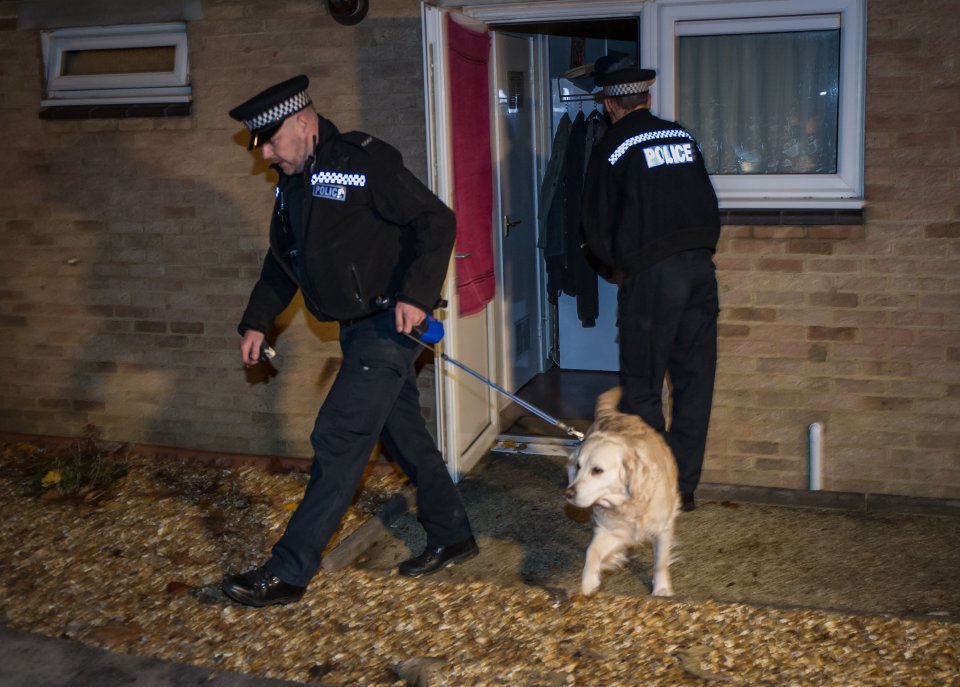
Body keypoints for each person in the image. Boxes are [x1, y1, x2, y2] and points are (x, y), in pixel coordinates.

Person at [221, 75, 477, 607]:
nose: (265, 153)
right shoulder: (290, 182)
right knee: (404, 434)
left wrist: (416, 295)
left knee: (338, 438)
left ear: (303, 124)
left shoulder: (364, 160)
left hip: (390, 325)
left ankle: (288, 572)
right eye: (260, 144)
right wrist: (257, 320)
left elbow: (436, 220)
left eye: (271, 140)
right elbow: (282, 260)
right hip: (357, 329)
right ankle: (452, 534)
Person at [580, 62, 721, 513]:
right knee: (694, 380)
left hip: (654, 277)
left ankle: (653, 487)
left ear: (609, 104)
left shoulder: (612, 146)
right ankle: (685, 489)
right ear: (646, 99)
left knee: (641, 386)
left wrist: (620, 266)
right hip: (700, 268)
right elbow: (707, 200)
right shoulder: (682, 137)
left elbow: (596, 227)